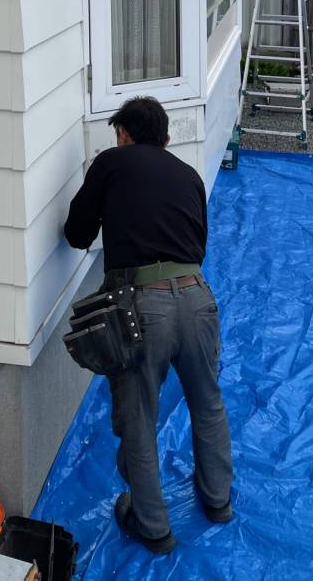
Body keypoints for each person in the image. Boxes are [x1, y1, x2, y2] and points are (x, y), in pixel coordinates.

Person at [64, 96, 233, 554]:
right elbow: (197, 243)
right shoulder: (189, 174)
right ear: (167, 138)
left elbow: (77, 234)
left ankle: (153, 526)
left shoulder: (111, 162)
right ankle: (218, 501)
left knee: (140, 416)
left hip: (143, 305)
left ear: (123, 134)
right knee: (208, 403)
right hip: (198, 297)